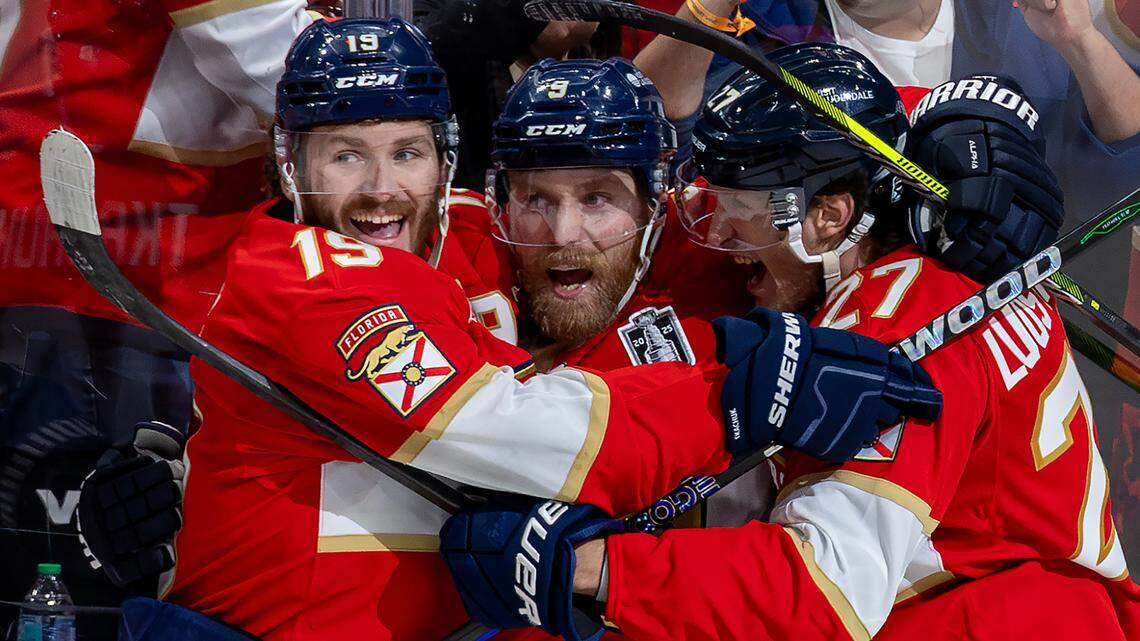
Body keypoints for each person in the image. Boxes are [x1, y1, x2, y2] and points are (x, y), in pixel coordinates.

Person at [74, 19, 937, 641]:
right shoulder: (343, 268)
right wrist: (737, 389)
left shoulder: (694, 257)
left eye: (406, 152)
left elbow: (816, 225)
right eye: (344, 153)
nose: (562, 233)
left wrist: (936, 213)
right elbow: (511, 426)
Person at [438, 44, 1140, 641]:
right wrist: (974, 112)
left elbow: (827, 590)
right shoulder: (931, 249)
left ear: (831, 216)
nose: (721, 243)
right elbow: (866, 110)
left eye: (741, 218)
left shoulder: (893, 324)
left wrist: (594, 568)